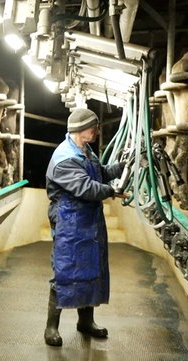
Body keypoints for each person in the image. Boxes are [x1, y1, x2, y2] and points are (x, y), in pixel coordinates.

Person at [44, 107, 127, 346]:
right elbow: (86, 188)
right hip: (69, 220)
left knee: (92, 269)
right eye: (95, 127)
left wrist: (122, 166)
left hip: (89, 220)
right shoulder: (64, 158)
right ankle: (51, 327)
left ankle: (85, 322)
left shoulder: (85, 151)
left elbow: (100, 174)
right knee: (65, 270)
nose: (98, 130)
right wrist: (112, 190)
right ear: (83, 130)